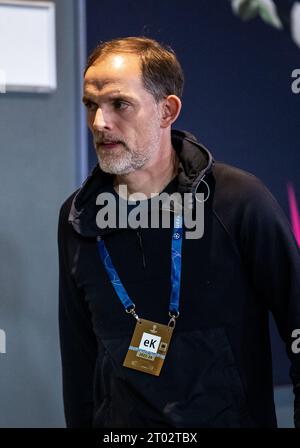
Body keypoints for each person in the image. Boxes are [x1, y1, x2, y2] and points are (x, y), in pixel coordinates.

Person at [58, 36, 300, 428]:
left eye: (119, 104)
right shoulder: (78, 218)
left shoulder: (238, 201)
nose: (100, 123)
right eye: (91, 105)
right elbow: (79, 360)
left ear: (166, 110)